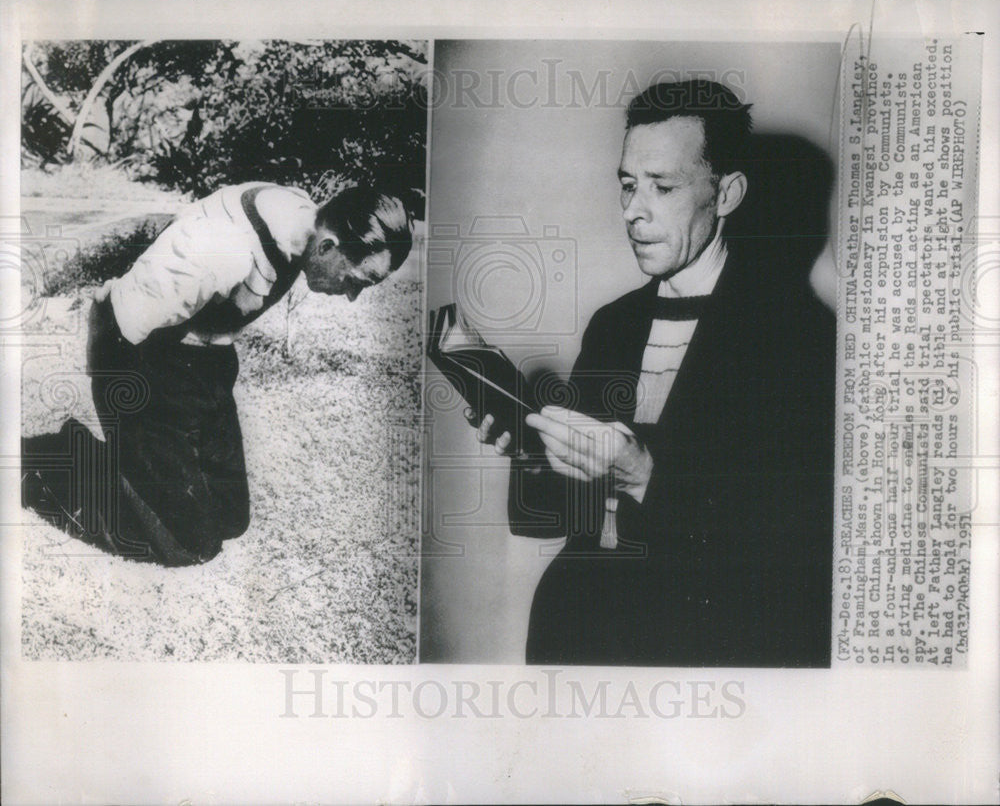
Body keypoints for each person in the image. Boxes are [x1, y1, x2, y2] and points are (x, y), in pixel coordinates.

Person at [470, 79, 835, 666]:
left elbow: (794, 546)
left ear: (727, 193)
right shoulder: (612, 324)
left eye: (662, 187)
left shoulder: (800, 336)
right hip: (579, 635)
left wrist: (643, 475)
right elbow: (551, 521)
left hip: (707, 649)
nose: (633, 211)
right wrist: (527, 446)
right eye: (627, 185)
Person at [22, 181, 413, 566]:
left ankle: (141, 474)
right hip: (140, 364)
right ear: (327, 246)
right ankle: (50, 459)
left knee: (229, 519)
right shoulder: (218, 250)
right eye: (356, 281)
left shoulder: (303, 217)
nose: (350, 295)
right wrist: (137, 428)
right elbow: (117, 335)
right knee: (190, 543)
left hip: (208, 366)